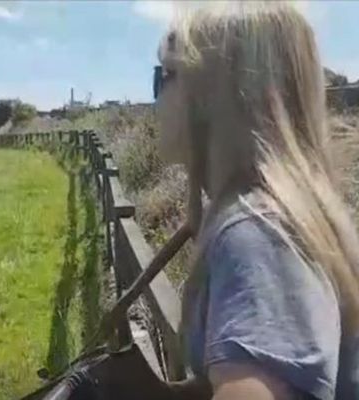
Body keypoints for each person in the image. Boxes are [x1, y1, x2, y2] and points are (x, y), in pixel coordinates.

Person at [151, 2, 359, 400]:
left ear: (215, 94)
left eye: (166, 76)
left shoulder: (257, 235)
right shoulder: (283, 215)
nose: (157, 98)